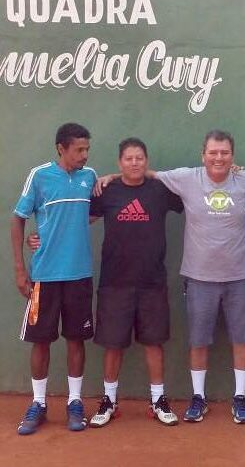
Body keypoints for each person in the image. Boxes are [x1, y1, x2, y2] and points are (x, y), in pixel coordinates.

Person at [150, 130, 245, 424]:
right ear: (203, 155)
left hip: (241, 276)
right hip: (199, 277)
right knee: (198, 341)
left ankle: (239, 397)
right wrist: (110, 178)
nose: (218, 158)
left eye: (224, 153)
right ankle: (198, 397)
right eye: (213, 152)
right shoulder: (187, 178)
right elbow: (146, 174)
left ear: (232, 156)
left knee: (242, 339)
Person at [87, 138, 183, 427]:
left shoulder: (161, 190)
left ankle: (158, 400)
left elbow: (197, 191)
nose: (134, 163)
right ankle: (109, 401)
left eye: (139, 158)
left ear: (146, 160)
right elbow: (81, 219)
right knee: (113, 344)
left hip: (152, 283)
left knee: (154, 343)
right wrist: (39, 237)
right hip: (114, 283)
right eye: (128, 158)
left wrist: (233, 171)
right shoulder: (106, 191)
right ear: (120, 162)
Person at [11, 123, 96, 435]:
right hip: (44, 277)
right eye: (79, 150)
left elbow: (94, 210)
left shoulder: (90, 177)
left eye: (87, 149)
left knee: (76, 339)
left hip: (79, 275)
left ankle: (75, 402)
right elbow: (18, 219)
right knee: (41, 340)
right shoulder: (39, 176)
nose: (84, 155)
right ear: (61, 148)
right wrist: (20, 269)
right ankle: (38, 403)